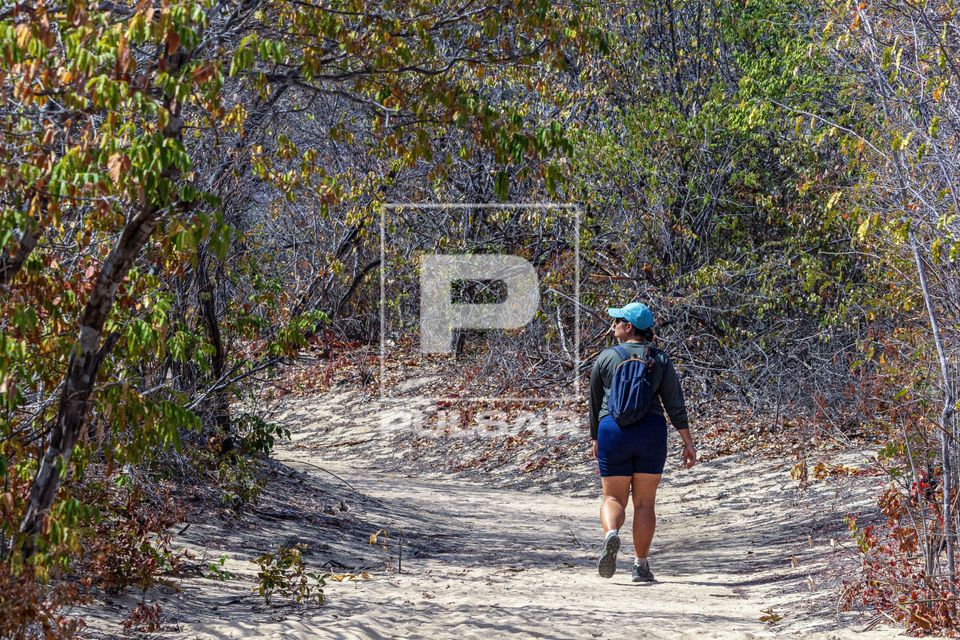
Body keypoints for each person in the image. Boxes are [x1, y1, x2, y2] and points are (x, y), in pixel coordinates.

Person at [589, 302, 696, 582]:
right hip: (650, 431)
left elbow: (595, 403)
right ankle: (640, 565)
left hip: (612, 431)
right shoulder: (660, 358)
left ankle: (612, 533)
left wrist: (595, 437)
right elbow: (675, 404)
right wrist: (688, 442)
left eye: (618, 321)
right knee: (645, 504)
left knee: (613, 498)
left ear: (629, 327)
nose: (613, 325)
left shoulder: (606, 357)